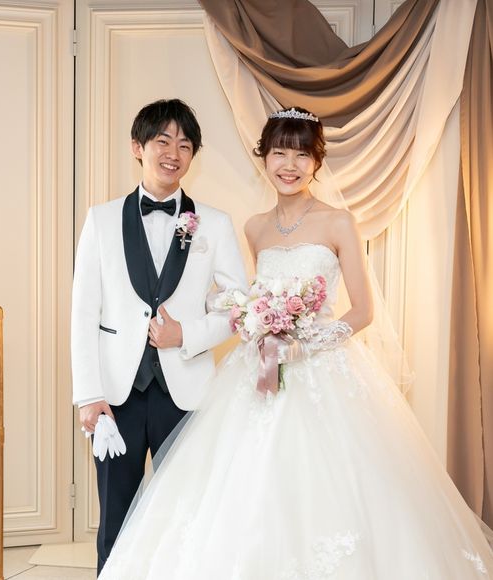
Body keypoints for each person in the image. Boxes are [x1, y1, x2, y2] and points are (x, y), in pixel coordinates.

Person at [97, 107, 493, 579]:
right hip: (259, 367)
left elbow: (362, 311)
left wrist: (305, 345)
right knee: (243, 486)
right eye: (280, 153)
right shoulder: (254, 228)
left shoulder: (338, 222)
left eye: (302, 155)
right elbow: (240, 298)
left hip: (323, 369)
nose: (290, 165)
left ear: (317, 162)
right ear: (264, 157)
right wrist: (253, 320)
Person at [71, 98, 247, 574]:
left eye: (185, 145)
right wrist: (88, 395)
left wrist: (185, 334)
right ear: (138, 147)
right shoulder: (101, 219)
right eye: (163, 141)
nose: (174, 153)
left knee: (186, 521)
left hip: (187, 395)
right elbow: (83, 313)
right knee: (115, 520)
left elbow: (238, 307)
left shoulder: (214, 223)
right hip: (116, 398)